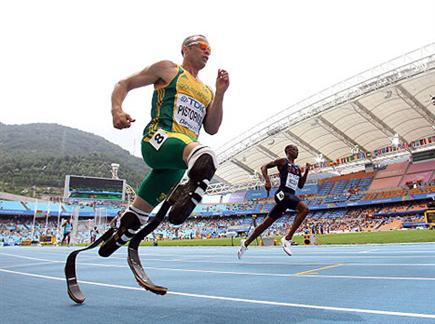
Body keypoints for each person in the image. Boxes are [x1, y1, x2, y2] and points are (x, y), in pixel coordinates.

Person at [98, 35, 229, 257]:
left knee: (138, 217)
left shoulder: (207, 91)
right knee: (205, 156)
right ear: (185, 49)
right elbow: (124, 83)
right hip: (159, 139)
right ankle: (191, 188)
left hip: (179, 161)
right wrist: (116, 110)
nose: (208, 52)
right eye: (203, 46)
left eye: (211, 50)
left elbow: (212, 128)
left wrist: (220, 95)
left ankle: (120, 231)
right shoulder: (169, 69)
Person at [238, 144, 310, 258]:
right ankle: (287, 238)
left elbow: (300, 185)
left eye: (297, 150)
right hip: (281, 194)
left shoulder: (297, 168)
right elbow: (264, 167)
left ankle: (245, 243)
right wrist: (267, 181)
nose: (297, 151)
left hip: (290, 196)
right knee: (305, 209)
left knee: (266, 223)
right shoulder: (283, 161)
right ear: (287, 151)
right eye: (294, 149)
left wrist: (306, 172)